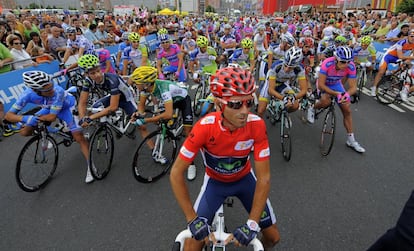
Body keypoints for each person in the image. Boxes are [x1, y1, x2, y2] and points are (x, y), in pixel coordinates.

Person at [170, 66, 280, 251]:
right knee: (191, 247)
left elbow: (264, 178)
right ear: (219, 104)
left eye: (249, 102)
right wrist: (192, 219)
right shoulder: (204, 128)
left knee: (273, 237)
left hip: (245, 181)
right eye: (236, 104)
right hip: (215, 183)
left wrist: (252, 224)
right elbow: (176, 173)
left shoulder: (257, 125)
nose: (245, 111)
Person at [4, 71, 93, 183]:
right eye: (47, 90)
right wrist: (25, 119)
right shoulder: (27, 94)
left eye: (51, 86)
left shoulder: (58, 91)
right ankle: (50, 132)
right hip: (49, 107)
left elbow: (51, 117)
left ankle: (91, 166)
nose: (52, 90)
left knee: (78, 137)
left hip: (67, 107)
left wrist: (33, 118)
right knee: (25, 131)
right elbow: (9, 115)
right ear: (36, 91)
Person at [129, 66, 197, 180]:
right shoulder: (145, 89)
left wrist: (146, 120)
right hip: (170, 100)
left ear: (146, 83)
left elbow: (168, 114)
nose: (135, 85)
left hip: (183, 100)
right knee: (160, 120)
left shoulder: (163, 88)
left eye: (137, 83)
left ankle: (191, 164)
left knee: (187, 133)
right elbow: (141, 107)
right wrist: (137, 115)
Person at [307, 46, 365, 153]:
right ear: (336, 59)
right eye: (343, 62)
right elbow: (321, 86)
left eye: (349, 61)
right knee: (326, 101)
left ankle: (351, 140)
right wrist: (336, 94)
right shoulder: (327, 64)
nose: (346, 65)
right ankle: (312, 107)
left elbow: (353, 87)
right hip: (325, 84)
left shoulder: (351, 66)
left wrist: (346, 95)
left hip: (336, 84)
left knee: (347, 109)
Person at [257, 47, 307, 118]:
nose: (287, 69)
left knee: (295, 105)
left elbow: (304, 90)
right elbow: (271, 90)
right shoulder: (276, 66)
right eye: (285, 65)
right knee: (261, 110)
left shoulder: (300, 69)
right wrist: (284, 98)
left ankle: (282, 112)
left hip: (282, 84)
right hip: (270, 84)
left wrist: (292, 98)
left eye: (290, 67)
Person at [371, 30, 414, 97]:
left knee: (408, 65)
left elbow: (411, 54)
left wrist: (409, 59)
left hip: (398, 58)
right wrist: (411, 58)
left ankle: (393, 75)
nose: (413, 38)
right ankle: (374, 88)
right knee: (381, 72)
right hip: (389, 56)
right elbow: (401, 56)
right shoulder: (402, 42)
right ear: (408, 36)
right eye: (411, 36)